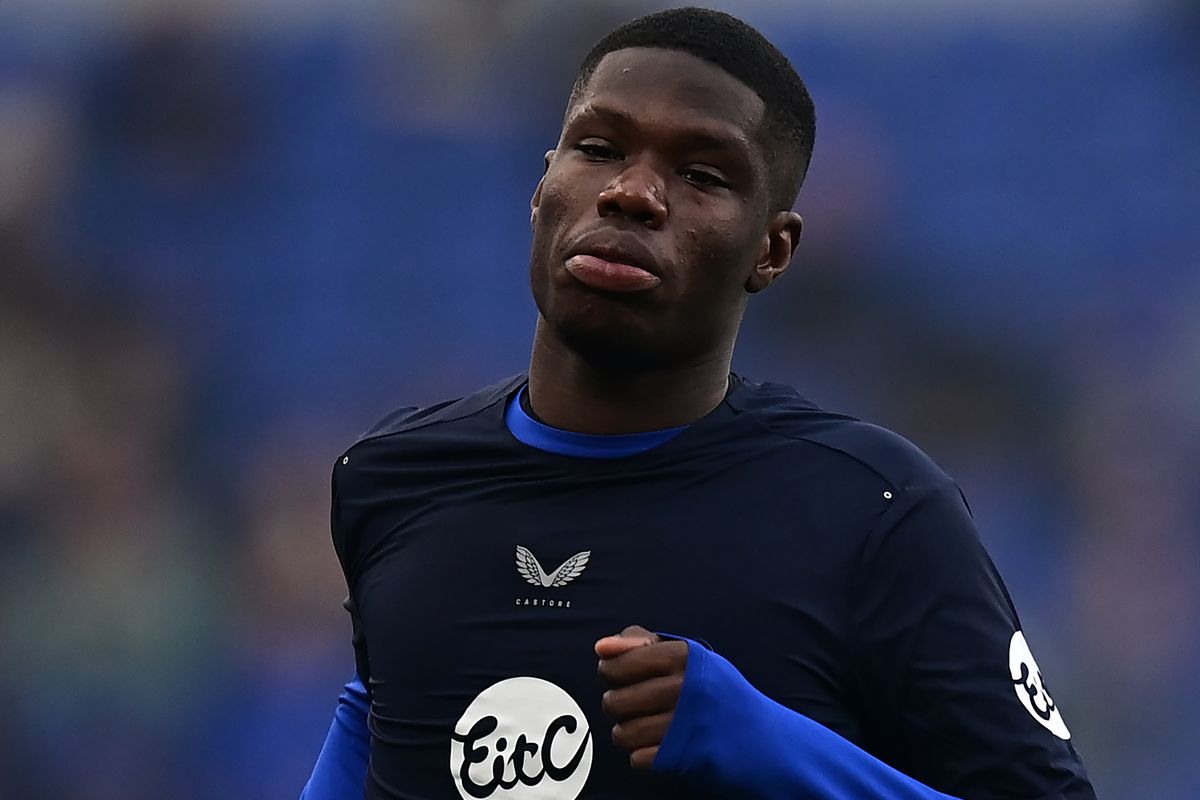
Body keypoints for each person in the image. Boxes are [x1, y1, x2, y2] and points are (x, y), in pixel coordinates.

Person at [301, 7, 1095, 800]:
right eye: (599, 148)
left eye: (702, 175)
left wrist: (779, 751)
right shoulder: (390, 478)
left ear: (772, 250)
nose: (631, 192)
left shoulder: (874, 511)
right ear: (543, 186)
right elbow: (375, 725)